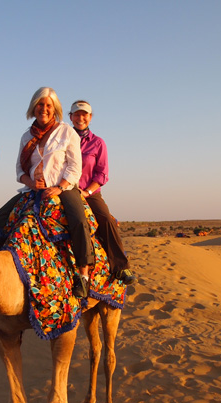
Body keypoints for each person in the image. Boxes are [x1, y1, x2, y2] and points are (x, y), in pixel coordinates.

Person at [0, 87, 94, 297]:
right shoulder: (26, 136)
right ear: (33, 107)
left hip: (62, 187)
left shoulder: (67, 132)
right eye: (40, 104)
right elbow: (19, 170)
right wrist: (30, 182)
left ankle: (83, 276)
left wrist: (60, 187)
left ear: (55, 109)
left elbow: (75, 167)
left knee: (79, 221)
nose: (44, 109)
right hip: (32, 189)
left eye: (48, 105)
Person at [69, 100, 136, 285]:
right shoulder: (63, 140)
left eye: (84, 114)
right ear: (70, 117)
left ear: (90, 117)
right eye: (76, 114)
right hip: (65, 190)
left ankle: (120, 267)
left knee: (106, 220)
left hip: (89, 192)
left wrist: (87, 192)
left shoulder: (98, 143)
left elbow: (102, 174)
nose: (80, 118)